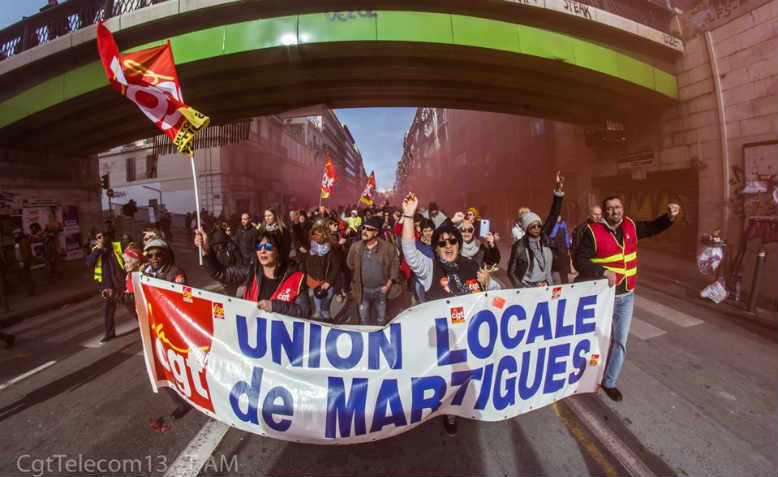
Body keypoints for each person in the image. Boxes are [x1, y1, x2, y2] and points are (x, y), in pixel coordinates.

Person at [400, 192, 498, 436]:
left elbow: (497, 292)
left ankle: (466, 405)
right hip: (443, 340)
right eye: (442, 243)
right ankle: (450, 414)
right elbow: (410, 252)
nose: (448, 246)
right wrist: (409, 215)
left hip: (470, 337)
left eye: (452, 241)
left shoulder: (470, 265)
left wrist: (489, 284)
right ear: (435, 248)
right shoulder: (430, 267)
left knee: (469, 378)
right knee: (447, 380)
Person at [574, 196, 680, 402]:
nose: (615, 212)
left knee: (619, 341)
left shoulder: (631, 225)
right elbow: (579, 260)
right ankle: (583, 375)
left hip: (627, 295)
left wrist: (669, 217)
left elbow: (652, 227)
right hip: (603, 297)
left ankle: (609, 382)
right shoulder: (592, 231)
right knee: (593, 338)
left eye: (618, 207)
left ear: (623, 209)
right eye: (610, 208)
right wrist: (602, 271)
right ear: (604, 212)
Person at [196, 228, 310, 318]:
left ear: (278, 251)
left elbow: (304, 311)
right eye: (259, 247)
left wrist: (275, 306)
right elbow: (220, 273)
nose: (263, 251)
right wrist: (206, 250)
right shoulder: (251, 271)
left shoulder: (296, 277)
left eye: (268, 247)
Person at [507, 173, 565, 288]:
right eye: (533, 227)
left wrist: (558, 191)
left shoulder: (544, 238)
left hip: (547, 286)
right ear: (526, 228)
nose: (537, 229)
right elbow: (511, 272)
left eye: (539, 226)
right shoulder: (519, 246)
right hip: (529, 288)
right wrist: (520, 289)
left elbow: (554, 215)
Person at [346, 216, 400, 326]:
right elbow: (350, 263)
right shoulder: (355, 247)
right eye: (364, 228)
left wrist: (388, 286)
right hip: (362, 291)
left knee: (381, 320)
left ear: (376, 233)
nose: (365, 231)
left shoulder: (387, 248)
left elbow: (395, 266)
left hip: (380, 290)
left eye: (369, 229)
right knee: (364, 319)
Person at [86, 230, 125, 343]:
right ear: (96, 240)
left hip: (120, 284)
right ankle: (109, 333)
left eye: (104, 235)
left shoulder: (116, 246)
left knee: (133, 308)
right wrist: (98, 249)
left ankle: (147, 328)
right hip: (106, 286)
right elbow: (89, 263)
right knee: (108, 311)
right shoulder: (96, 250)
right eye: (99, 237)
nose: (102, 238)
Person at [300, 219, 342, 320]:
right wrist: (306, 278)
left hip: (326, 284)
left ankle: (327, 321)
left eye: (318, 235)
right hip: (314, 283)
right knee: (317, 305)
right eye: (314, 235)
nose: (315, 237)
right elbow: (306, 265)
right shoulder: (311, 250)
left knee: (325, 308)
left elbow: (336, 268)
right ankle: (318, 315)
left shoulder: (330, 251)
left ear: (324, 236)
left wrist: (328, 282)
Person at [550, 215, 571, 284]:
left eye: (559, 216)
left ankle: (565, 283)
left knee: (564, 269)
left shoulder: (563, 224)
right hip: (554, 250)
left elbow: (567, 236)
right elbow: (552, 235)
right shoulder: (551, 224)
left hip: (563, 249)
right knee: (552, 268)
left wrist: (568, 247)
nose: (558, 218)